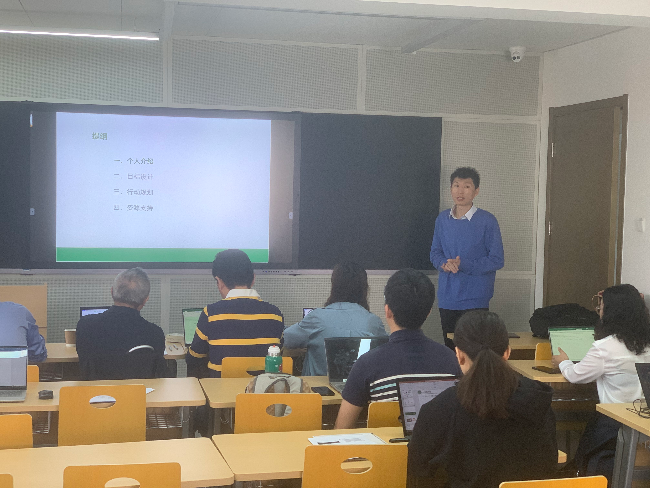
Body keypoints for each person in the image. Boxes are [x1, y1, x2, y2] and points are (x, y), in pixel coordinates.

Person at [409, 310, 557, 488]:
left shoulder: (440, 408)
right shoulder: (538, 401)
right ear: (507, 352)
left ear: (459, 355)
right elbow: (549, 466)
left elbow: (418, 474)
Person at [334, 268, 461, 429]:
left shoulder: (366, 364)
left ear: (388, 311)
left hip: (384, 446)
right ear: (429, 312)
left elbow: (342, 429)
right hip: (436, 445)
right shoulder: (452, 360)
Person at [551, 284, 650, 478]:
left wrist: (564, 362)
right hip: (643, 422)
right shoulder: (646, 342)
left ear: (612, 312)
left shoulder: (605, 347)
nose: (599, 311)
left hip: (613, 424)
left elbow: (576, 375)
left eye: (602, 306)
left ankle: (579, 473)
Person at [430, 167, 504, 349]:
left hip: (476, 298)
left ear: (476, 191)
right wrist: (443, 264)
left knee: (475, 350)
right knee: (451, 349)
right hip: (448, 297)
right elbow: (435, 253)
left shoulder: (487, 220)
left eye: (466, 186)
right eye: (456, 186)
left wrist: (464, 264)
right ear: (451, 189)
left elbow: (497, 259)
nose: (460, 191)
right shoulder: (442, 219)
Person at [186, 249, 284, 378]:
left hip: (221, 390)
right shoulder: (275, 315)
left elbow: (195, 356)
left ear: (219, 281)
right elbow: (278, 352)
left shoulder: (211, 314)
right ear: (253, 278)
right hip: (262, 389)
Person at [283, 262, 387, 376]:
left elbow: (287, 340)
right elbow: (386, 350)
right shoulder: (374, 322)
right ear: (364, 289)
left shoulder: (317, 318)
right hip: (359, 387)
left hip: (318, 387)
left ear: (334, 286)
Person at [76, 267, 169, 380]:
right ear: (145, 300)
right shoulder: (155, 334)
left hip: (97, 390)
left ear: (112, 292)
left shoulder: (85, 326)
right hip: (139, 391)